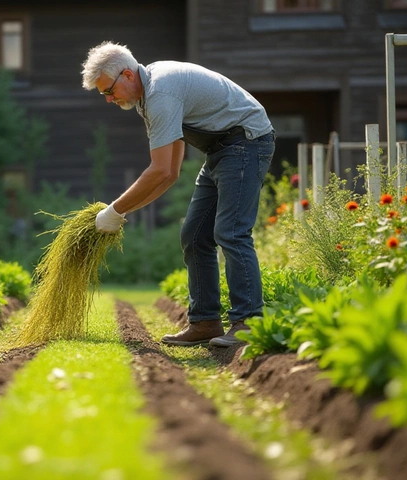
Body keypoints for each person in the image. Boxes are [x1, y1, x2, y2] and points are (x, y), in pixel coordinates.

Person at [81, 41, 275, 347]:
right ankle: (206, 322)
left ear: (128, 75)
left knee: (232, 231)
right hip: (221, 150)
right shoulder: (148, 97)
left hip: (246, 141)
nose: (108, 99)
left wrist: (114, 210)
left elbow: (158, 171)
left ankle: (249, 322)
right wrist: (122, 213)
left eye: (109, 91)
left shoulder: (161, 93)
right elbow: (170, 173)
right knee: (195, 234)